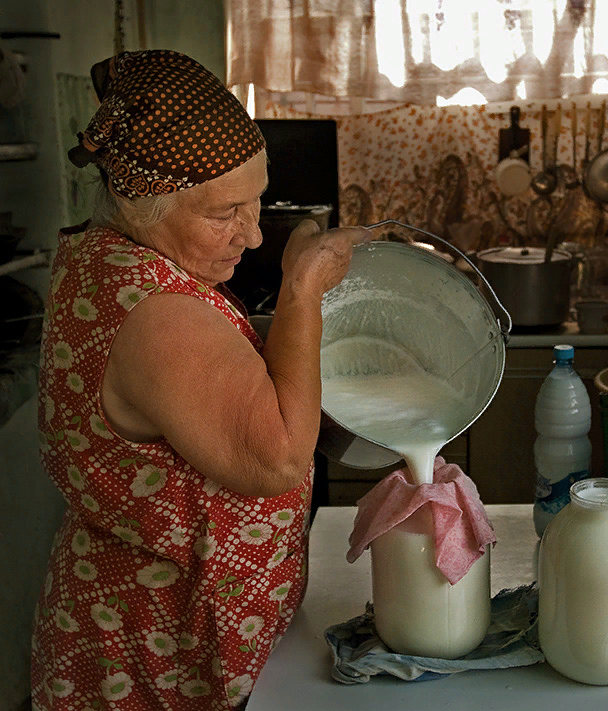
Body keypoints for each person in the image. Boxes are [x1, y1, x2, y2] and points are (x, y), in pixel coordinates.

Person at [30, 49, 370, 709]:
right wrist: (301, 290)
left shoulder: (121, 260)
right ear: (139, 199)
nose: (250, 234)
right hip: (151, 656)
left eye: (257, 202)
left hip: (169, 629)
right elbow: (275, 457)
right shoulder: (154, 314)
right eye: (223, 213)